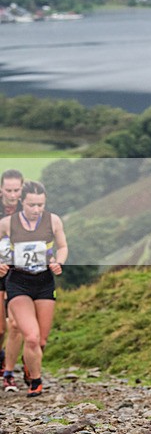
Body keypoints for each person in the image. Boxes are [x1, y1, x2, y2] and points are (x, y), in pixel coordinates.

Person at [0, 181, 68, 397]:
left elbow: (63, 246)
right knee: (30, 336)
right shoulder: (7, 223)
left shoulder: (53, 220)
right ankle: (36, 382)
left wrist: (60, 261)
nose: (36, 210)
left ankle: (30, 365)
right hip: (18, 282)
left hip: (45, 283)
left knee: (41, 341)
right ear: (22, 202)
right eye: (31, 205)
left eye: (40, 205)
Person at [0, 169, 25, 391]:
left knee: (15, 325)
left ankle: (9, 373)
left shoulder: (29, 210)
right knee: (0, 328)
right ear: (1, 190)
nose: (12, 194)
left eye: (16, 190)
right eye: (8, 190)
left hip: (18, 273)